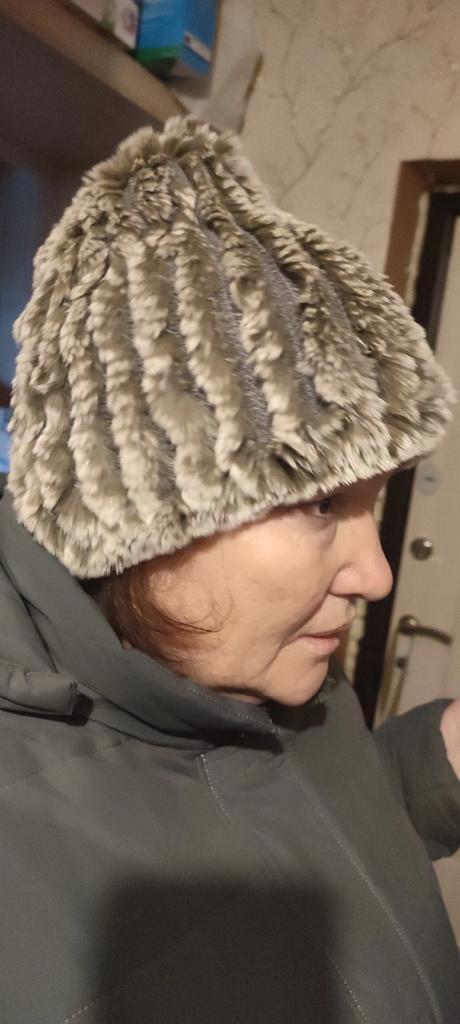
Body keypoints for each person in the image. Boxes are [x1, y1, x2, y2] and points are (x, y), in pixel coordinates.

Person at [0, 116, 459, 1024]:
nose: (373, 575)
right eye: (321, 504)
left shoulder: (274, 662)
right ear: (137, 508)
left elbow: (290, 822)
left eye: (373, 503)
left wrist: (437, 762)